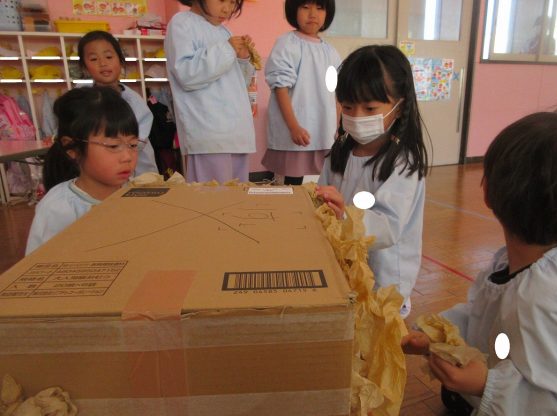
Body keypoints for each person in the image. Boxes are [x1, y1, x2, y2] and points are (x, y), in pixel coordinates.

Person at [402, 108, 557, 416]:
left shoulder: (546, 303)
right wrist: (436, 333)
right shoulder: (546, 256)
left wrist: (488, 387)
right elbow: (484, 313)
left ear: (487, 192)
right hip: (516, 381)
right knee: (454, 391)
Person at [316, 45, 428, 318]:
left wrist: (344, 216)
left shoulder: (403, 163)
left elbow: (388, 227)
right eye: (348, 107)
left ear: (399, 107)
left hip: (384, 279)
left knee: (377, 333)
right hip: (346, 270)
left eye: (370, 108)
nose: (357, 117)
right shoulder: (340, 153)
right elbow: (322, 197)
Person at [26, 87, 140, 254]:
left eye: (133, 145)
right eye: (113, 146)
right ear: (73, 148)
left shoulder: (139, 195)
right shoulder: (58, 209)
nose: (127, 157)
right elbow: (38, 265)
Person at [165, 0, 256, 183]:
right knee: (211, 196)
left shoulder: (224, 32)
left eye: (233, 2)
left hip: (237, 133)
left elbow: (238, 82)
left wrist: (243, 59)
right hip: (209, 135)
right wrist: (227, 49)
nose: (227, 9)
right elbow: (186, 73)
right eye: (222, 0)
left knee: (237, 195)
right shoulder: (182, 23)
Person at [262, 0, 340, 186]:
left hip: (323, 133)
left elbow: (336, 94)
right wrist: (293, 127)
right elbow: (280, 87)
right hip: (295, 132)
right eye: (305, 7)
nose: (313, 14)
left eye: (319, 8)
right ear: (293, 11)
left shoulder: (331, 52)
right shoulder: (287, 44)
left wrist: (336, 127)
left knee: (321, 184)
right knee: (289, 184)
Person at [77, 30, 158, 176]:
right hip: (98, 170)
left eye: (109, 57)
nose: (103, 63)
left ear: (120, 61)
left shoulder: (134, 101)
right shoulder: (81, 99)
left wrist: (114, 149)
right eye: (94, 59)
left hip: (138, 170)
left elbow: (138, 140)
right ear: (84, 68)